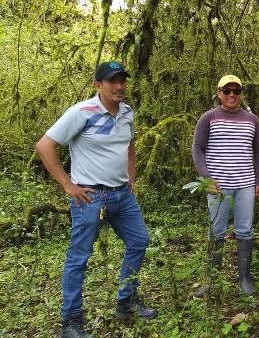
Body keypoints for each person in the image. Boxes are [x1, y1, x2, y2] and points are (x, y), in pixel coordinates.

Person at [35, 61, 155, 338]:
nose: (120, 86)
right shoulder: (81, 112)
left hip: (122, 195)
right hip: (90, 197)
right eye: (113, 81)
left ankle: (126, 301)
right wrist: (68, 185)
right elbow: (44, 146)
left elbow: (130, 145)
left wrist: (131, 177)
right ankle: (71, 321)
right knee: (79, 257)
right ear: (97, 85)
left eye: (123, 80)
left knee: (139, 240)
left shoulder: (127, 112)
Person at [191, 74, 259, 296]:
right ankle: (210, 280)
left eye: (236, 91)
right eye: (227, 91)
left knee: (244, 230)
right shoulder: (208, 118)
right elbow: (197, 149)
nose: (232, 95)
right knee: (218, 230)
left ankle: (244, 278)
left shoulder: (252, 120)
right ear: (219, 93)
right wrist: (206, 178)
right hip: (218, 185)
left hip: (245, 184)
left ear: (241, 94)